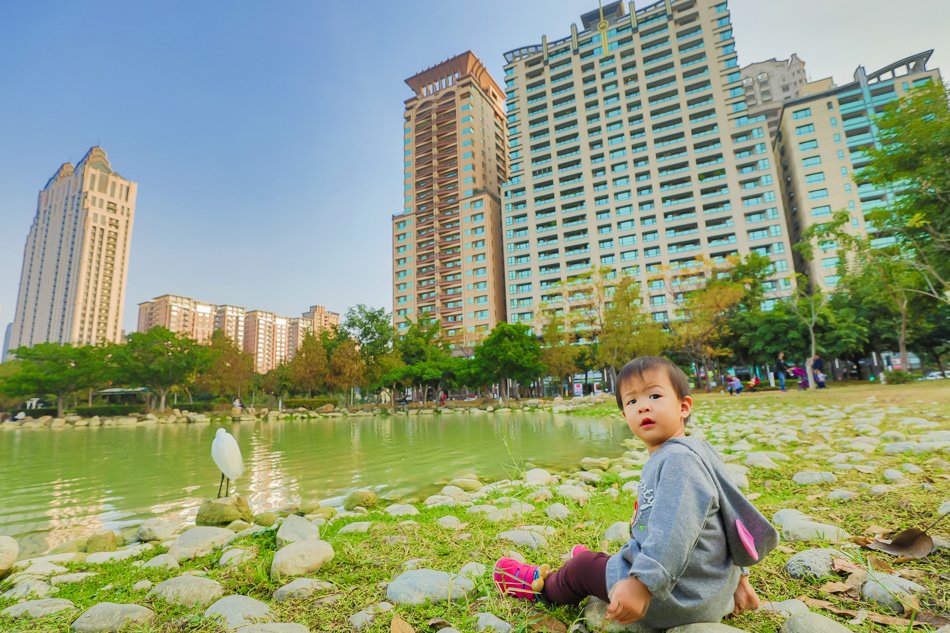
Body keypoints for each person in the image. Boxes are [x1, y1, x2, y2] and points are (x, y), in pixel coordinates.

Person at [493, 356, 778, 628]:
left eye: (654, 396)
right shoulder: (697, 451)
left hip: (673, 597)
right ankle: (609, 566)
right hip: (709, 591)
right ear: (624, 414)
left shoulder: (678, 462)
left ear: (684, 406)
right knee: (612, 557)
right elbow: (727, 517)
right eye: (632, 401)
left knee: (581, 567)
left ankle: (541, 587)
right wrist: (739, 578)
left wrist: (642, 586)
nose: (643, 407)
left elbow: (672, 533)